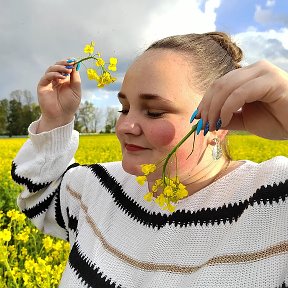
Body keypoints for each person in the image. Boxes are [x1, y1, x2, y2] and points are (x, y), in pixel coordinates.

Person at [11, 32, 288, 287]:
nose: (125, 127)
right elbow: (41, 198)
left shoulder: (274, 200)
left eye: (154, 112)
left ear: (220, 124)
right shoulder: (98, 186)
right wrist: (56, 118)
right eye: (124, 108)